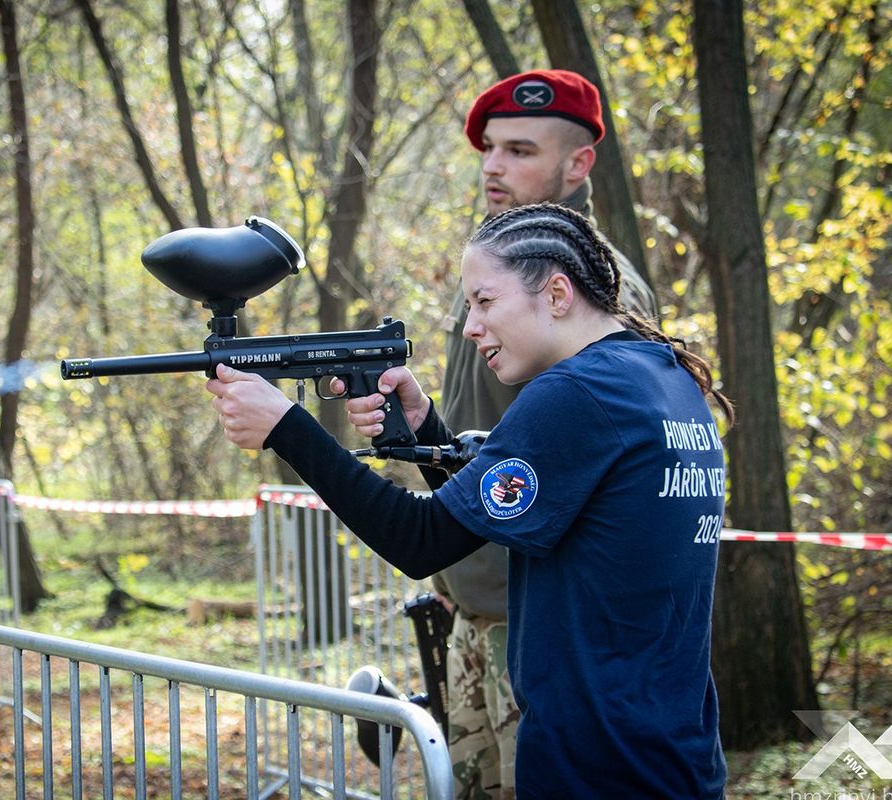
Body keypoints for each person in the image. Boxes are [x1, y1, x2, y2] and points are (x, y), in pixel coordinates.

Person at [206, 203, 731, 797]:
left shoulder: (576, 394)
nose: (470, 326)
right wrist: (427, 433)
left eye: (485, 302)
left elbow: (422, 539)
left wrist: (287, 427)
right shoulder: (657, 376)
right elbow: (510, 506)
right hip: (671, 752)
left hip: (599, 765)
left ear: (556, 293)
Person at [431, 68, 659, 798]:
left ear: (578, 164)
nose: (494, 167)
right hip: (474, 611)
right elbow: (485, 443)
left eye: (521, 150)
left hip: (545, 629)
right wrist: (452, 577)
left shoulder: (596, 293)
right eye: (490, 149)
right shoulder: (492, 272)